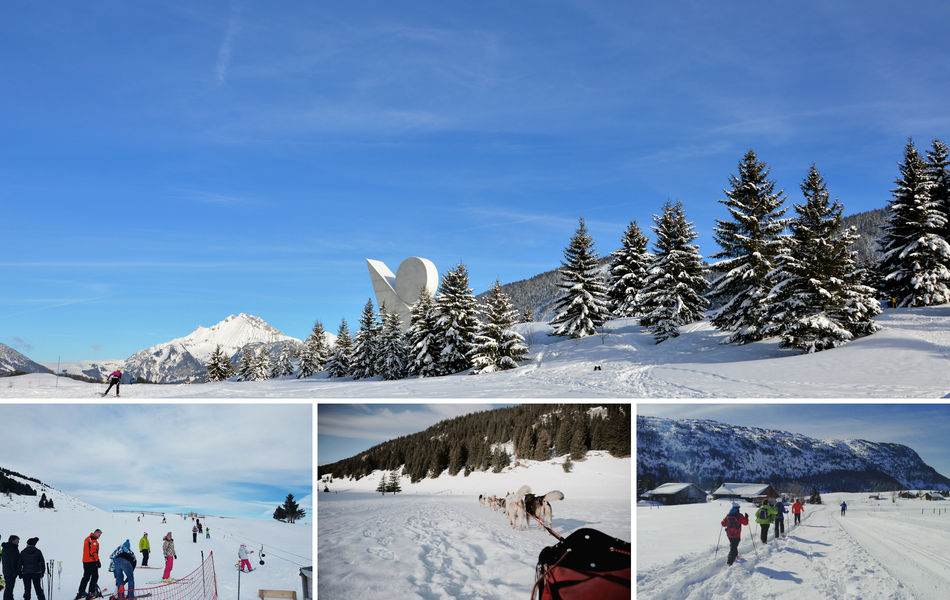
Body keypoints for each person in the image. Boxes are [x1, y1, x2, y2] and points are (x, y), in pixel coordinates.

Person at [76, 529, 102, 600]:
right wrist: (97, 561)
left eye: (100, 534)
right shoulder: (93, 541)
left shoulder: (87, 539)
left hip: (85, 561)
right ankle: (91, 592)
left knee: (86, 576)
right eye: (99, 534)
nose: (99, 535)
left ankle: (81, 591)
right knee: (95, 576)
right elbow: (93, 552)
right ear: (95, 533)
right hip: (92, 561)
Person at [1, 535, 20, 600]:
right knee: (9, 589)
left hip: (7, 571)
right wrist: (15, 572)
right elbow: (13, 561)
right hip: (11, 572)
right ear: (13, 541)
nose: (18, 542)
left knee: (9, 588)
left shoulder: (6, 548)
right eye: (17, 541)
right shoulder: (12, 549)